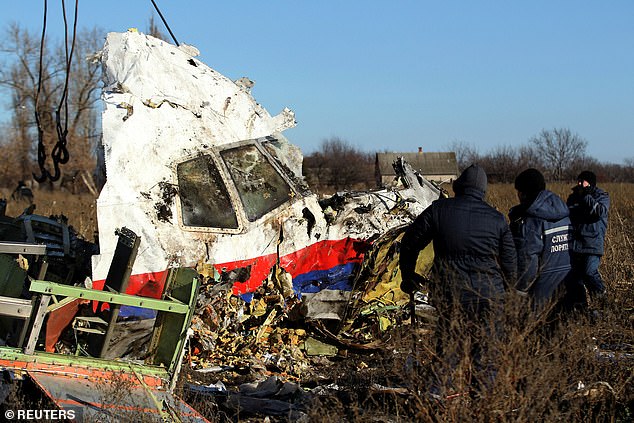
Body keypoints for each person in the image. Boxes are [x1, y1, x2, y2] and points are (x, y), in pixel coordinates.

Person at [399, 164, 517, 394]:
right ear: (483, 191)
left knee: (448, 351)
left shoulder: (439, 210)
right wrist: (509, 292)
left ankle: (435, 400)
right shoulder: (497, 219)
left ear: (458, 186)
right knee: (486, 353)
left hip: (451, 295)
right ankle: (482, 402)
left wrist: (408, 275)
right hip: (489, 297)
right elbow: (511, 264)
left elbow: (410, 242)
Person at [508, 168, 573, 311]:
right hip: (569, 287)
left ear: (524, 193)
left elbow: (528, 262)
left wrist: (520, 291)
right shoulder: (564, 214)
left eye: (518, 191)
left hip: (541, 296)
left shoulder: (531, 222)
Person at [566, 170, 610, 305]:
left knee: (589, 272)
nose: (579, 183)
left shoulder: (601, 196)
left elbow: (599, 212)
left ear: (589, 182)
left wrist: (586, 196)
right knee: (575, 278)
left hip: (592, 243)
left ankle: (601, 299)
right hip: (575, 244)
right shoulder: (573, 198)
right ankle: (581, 308)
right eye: (578, 180)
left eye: (582, 181)